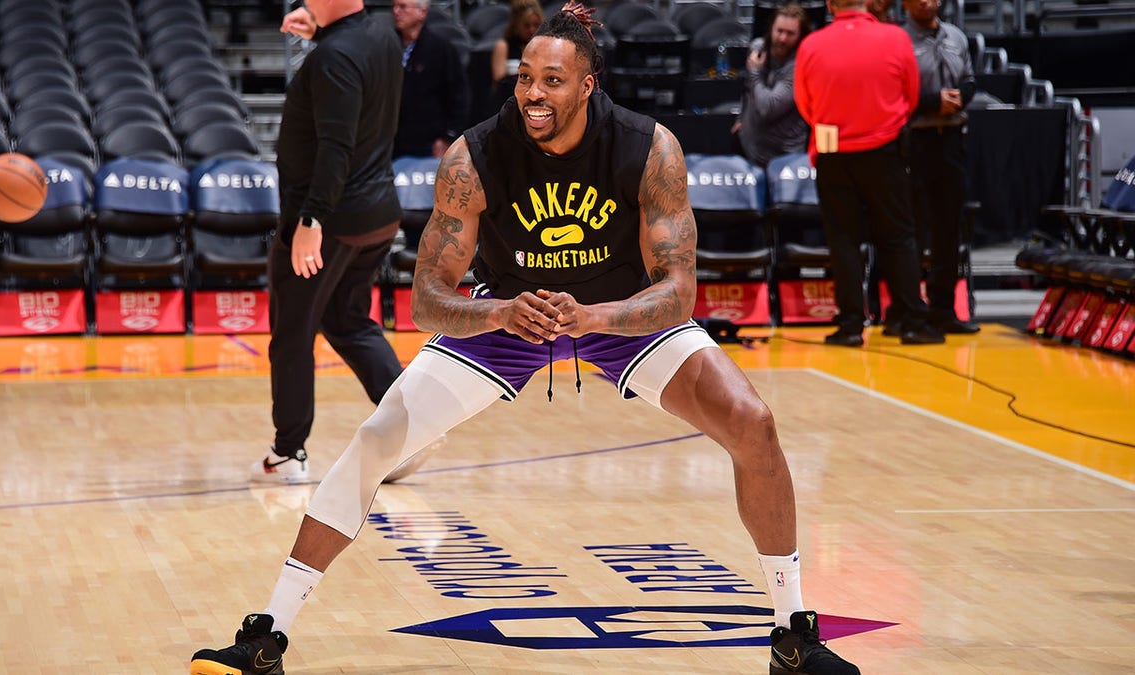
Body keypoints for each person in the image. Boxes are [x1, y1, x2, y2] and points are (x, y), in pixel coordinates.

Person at [189, 5, 861, 675]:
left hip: (616, 314)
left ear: (588, 85)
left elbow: (679, 290)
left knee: (753, 421)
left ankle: (791, 633)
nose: (533, 93)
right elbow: (427, 297)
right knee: (377, 436)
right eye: (524, 78)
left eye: (552, 80)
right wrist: (503, 312)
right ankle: (266, 635)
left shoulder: (647, 147)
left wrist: (595, 318)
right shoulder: (475, 155)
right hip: (510, 316)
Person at [256, 0, 442, 487]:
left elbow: (336, 144)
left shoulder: (335, 56)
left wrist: (310, 220)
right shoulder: (381, 32)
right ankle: (414, 429)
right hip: (377, 211)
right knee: (348, 320)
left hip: (330, 219)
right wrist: (319, 33)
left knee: (293, 334)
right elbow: (354, 88)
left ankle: (288, 452)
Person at [793, 0, 944, 347]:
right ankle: (911, 320)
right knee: (898, 237)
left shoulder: (812, 44)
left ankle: (849, 325)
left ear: (831, 5)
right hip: (884, 149)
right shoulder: (894, 38)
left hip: (833, 151)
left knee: (843, 240)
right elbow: (911, 95)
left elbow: (804, 103)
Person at [902, 0, 980, 334]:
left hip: (951, 141)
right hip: (915, 142)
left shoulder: (957, 37)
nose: (926, 1)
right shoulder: (899, 41)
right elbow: (896, 92)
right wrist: (934, 101)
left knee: (949, 228)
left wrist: (960, 97)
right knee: (914, 229)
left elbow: (970, 80)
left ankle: (944, 308)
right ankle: (911, 311)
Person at [730, 3, 811, 168]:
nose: (782, 38)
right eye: (779, 31)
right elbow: (747, 88)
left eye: (790, 34)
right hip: (751, 147)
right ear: (771, 29)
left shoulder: (800, 65)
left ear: (800, 35)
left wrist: (755, 72)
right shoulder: (757, 48)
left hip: (785, 155)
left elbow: (769, 107)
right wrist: (742, 117)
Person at [392, 0, 471, 158]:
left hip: (429, 144)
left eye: (403, 7)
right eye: (394, 6)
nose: (396, 11)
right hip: (392, 143)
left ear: (422, 12)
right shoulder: (387, 46)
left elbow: (459, 97)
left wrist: (448, 137)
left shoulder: (442, 49)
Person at [491, 0, 544, 111]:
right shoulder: (503, 46)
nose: (531, 30)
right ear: (516, 24)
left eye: (536, 25)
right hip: (508, 104)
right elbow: (499, 81)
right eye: (526, 26)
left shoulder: (544, 48)